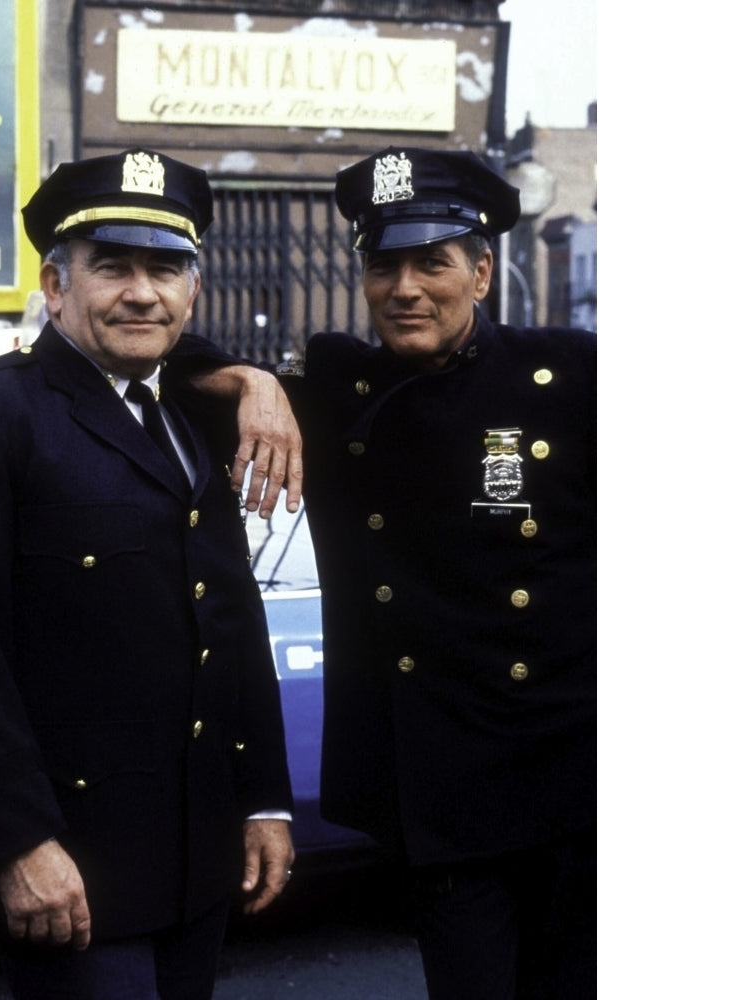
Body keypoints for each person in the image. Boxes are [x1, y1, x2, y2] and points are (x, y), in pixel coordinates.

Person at [166, 146, 596, 1000]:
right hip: (447, 795)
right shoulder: (340, 390)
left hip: (580, 782)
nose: (406, 289)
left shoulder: (572, 376)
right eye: (384, 266)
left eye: (431, 263)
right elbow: (160, 367)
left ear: (479, 272)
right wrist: (251, 378)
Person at [0, 147, 296, 1000]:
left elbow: (228, 619)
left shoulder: (188, 418)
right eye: (113, 266)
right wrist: (13, 843)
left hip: (195, 860)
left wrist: (264, 801)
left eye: (167, 268)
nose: (143, 291)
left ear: (194, 293)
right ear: (55, 286)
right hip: (67, 868)